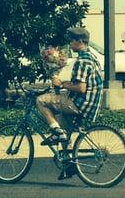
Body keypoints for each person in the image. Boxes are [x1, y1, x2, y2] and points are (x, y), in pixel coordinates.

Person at [36, 26, 103, 179]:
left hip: (80, 104)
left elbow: (80, 88)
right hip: (89, 104)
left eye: (72, 40)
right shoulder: (92, 58)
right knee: (62, 123)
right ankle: (69, 165)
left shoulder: (82, 61)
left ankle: (56, 133)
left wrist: (61, 84)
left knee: (41, 100)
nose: (70, 43)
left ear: (80, 41)